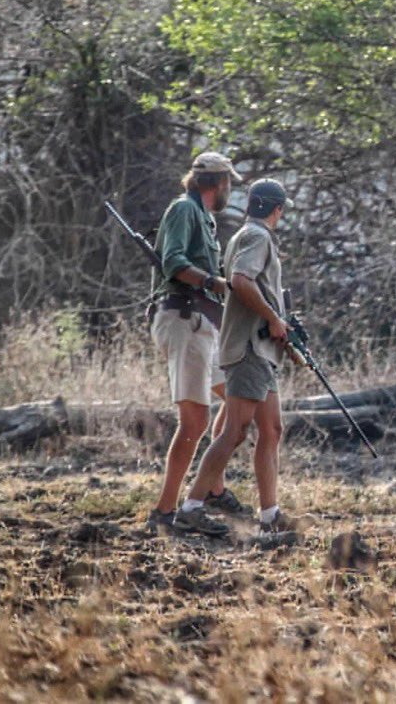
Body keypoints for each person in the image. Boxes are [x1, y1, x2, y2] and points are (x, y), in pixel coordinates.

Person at [174, 178, 300, 536]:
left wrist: (277, 325)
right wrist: (275, 318)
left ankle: (270, 515)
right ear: (278, 211)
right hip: (247, 349)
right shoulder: (257, 237)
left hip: (260, 350)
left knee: (271, 430)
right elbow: (241, 280)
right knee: (235, 431)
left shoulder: (249, 235)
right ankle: (192, 507)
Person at [146, 151, 252, 534]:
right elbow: (173, 262)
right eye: (227, 183)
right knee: (194, 422)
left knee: (240, 400)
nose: (229, 190)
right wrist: (213, 282)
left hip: (205, 323)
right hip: (184, 319)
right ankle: (164, 512)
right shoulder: (183, 211)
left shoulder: (204, 217)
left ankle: (211, 487)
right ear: (217, 183)